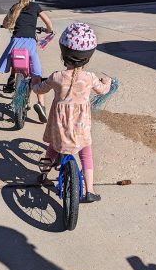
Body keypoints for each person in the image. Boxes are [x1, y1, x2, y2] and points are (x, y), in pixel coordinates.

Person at [31, 22, 112, 203]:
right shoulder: (90, 78)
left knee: (52, 149)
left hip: (59, 128)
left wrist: (34, 81)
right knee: (86, 153)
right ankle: (89, 190)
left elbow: (39, 89)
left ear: (63, 54)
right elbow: (103, 90)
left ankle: (43, 176)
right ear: (88, 57)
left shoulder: (56, 77)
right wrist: (107, 81)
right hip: (81, 128)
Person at [0, 0, 52, 120]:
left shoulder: (14, 7)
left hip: (15, 42)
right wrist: (49, 31)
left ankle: (12, 79)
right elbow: (48, 23)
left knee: (14, 57)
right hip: (30, 43)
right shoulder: (36, 7)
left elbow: (6, 22)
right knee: (36, 74)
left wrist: (3, 25)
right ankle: (41, 104)